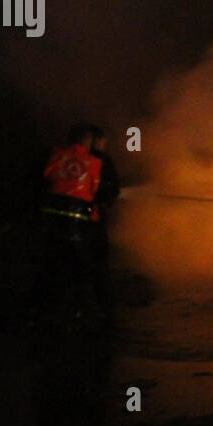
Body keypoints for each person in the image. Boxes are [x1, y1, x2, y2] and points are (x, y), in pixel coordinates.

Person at [35, 123, 103, 322]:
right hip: (76, 226)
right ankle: (84, 312)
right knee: (81, 268)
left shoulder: (56, 154)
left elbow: (46, 176)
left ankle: (45, 308)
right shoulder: (94, 162)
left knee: (51, 264)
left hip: (51, 222)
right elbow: (94, 190)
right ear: (87, 141)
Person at [88, 126, 119, 317]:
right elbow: (111, 189)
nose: (104, 146)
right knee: (99, 263)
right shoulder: (99, 161)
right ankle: (104, 307)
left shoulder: (62, 158)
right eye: (102, 142)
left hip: (59, 224)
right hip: (92, 219)